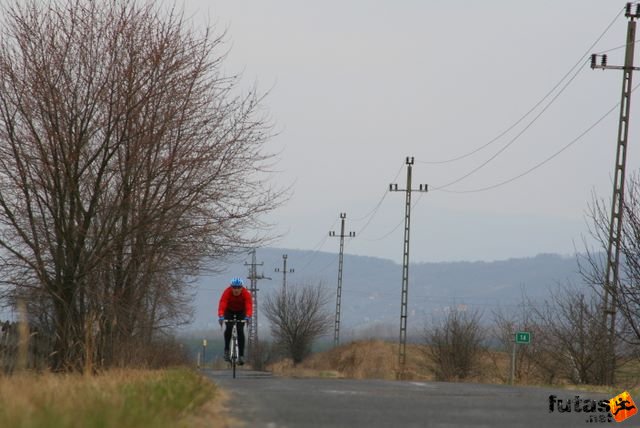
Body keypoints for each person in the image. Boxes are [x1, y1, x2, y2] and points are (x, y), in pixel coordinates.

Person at [218, 277, 252, 365]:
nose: (236, 290)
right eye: (234, 287)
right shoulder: (227, 292)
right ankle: (226, 350)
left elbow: (249, 305)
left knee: (240, 331)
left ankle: (241, 355)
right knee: (228, 328)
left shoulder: (246, 294)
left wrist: (248, 316)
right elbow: (222, 303)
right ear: (231, 287)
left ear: (242, 288)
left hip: (241, 312)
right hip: (229, 311)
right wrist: (221, 315)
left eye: (238, 288)